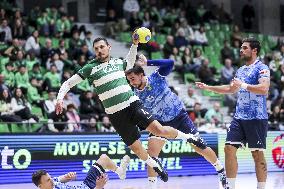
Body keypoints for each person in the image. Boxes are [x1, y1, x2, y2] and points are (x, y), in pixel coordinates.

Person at [55, 32, 206, 182]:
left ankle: (190, 137)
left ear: (109, 47)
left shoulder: (117, 63)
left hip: (132, 104)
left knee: (159, 130)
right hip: (115, 115)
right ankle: (156, 166)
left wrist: (135, 44)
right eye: (96, 49)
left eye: (102, 47)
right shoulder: (90, 68)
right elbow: (68, 83)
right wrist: (59, 98)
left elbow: (129, 61)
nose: (99, 50)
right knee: (137, 149)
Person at [125, 55, 227, 189]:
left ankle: (221, 170)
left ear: (141, 74)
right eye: (129, 80)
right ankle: (152, 187)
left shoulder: (156, 77)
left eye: (133, 78)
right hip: (161, 124)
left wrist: (148, 62)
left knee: (199, 147)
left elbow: (170, 63)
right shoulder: (135, 94)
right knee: (151, 156)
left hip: (179, 116)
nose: (131, 82)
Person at [196, 38, 270, 189]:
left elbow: (264, 89)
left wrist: (242, 85)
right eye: (241, 48)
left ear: (254, 50)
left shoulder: (262, 68)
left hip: (256, 117)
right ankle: (230, 186)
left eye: (244, 48)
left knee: (257, 154)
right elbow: (231, 89)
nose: (241, 50)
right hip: (239, 117)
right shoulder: (241, 70)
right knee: (229, 148)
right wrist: (209, 87)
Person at [32, 154, 130, 189]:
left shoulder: (52, 183)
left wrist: (68, 176)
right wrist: (98, 187)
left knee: (103, 158)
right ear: (40, 186)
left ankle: (120, 172)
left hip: (85, 185)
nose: (52, 180)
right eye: (48, 180)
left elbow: (62, 178)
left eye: (50, 178)